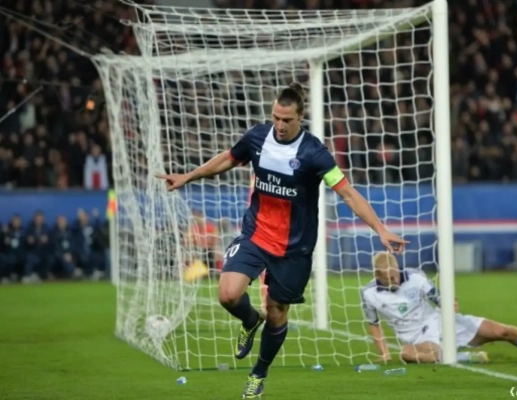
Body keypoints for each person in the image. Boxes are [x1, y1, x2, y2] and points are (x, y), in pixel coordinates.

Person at [156, 82, 408, 398]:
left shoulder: (315, 154)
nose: (280, 125)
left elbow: (347, 193)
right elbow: (228, 158)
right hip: (256, 234)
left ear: (300, 117)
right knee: (228, 295)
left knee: (277, 313)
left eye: (287, 120)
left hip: (294, 249)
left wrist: (381, 230)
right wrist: (188, 176)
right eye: (276, 117)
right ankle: (251, 321)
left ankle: (258, 373)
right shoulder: (257, 137)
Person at [360, 252, 517, 364]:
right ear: (378, 275)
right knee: (406, 353)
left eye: (396, 274)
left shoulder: (415, 277)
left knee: (502, 331)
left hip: (443, 322)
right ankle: (464, 357)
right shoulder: (369, 294)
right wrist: (384, 353)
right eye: (390, 277)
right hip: (417, 338)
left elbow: (437, 298)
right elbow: (374, 324)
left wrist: (449, 303)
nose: (396, 279)